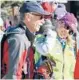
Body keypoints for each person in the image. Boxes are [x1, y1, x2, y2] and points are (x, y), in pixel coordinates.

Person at [1, 1, 51, 79]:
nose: (43, 21)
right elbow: (13, 76)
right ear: (28, 17)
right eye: (41, 17)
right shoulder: (18, 39)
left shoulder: (26, 37)